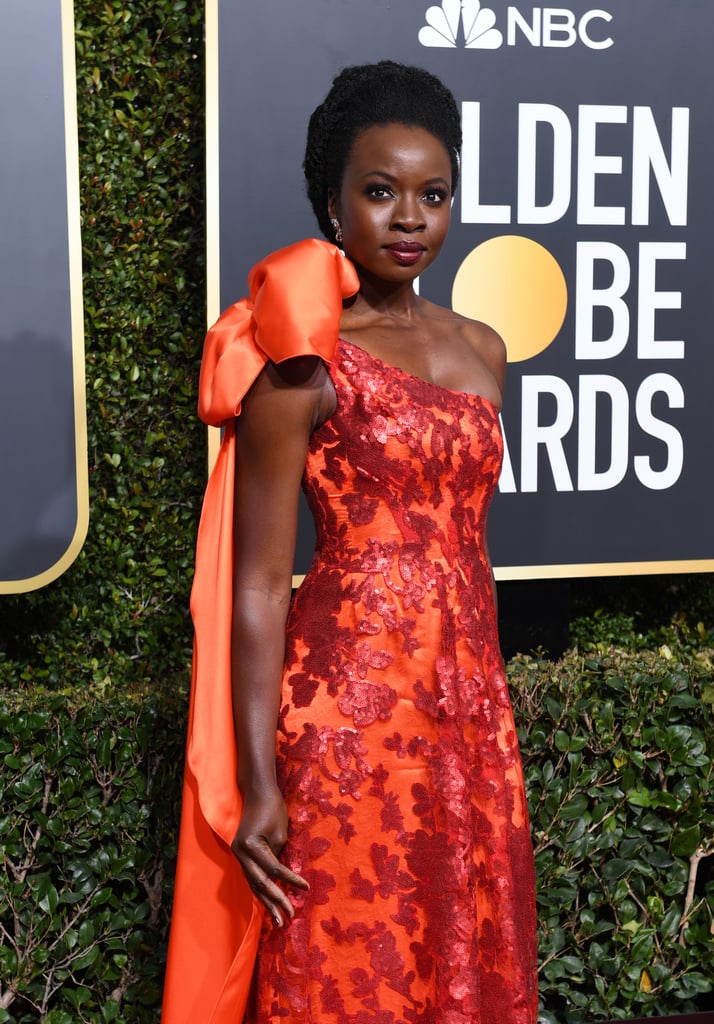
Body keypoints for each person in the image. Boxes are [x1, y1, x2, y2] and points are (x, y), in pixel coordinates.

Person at [162, 61, 537, 1024]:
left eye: (431, 194)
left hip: (467, 716)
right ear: (332, 205)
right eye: (379, 193)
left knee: (459, 953)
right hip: (346, 718)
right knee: (348, 966)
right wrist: (256, 780)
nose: (408, 217)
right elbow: (255, 587)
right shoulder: (302, 362)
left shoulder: (484, 348)